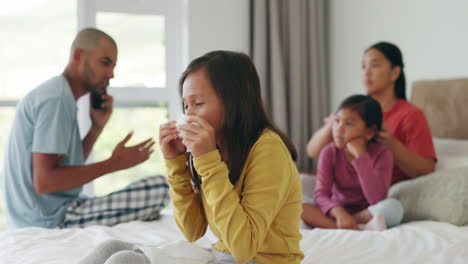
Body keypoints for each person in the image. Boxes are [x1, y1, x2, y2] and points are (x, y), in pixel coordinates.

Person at [3, 28, 170, 229]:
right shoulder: (56, 100)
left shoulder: (59, 94)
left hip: (46, 212)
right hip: (52, 219)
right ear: (78, 56)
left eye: (113, 66)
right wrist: (113, 164)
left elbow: (61, 168)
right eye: (105, 63)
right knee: (160, 187)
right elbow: (45, 182)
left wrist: (95, 128)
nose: (111, 74)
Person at [161, 51, 304, 263]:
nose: (188, 116)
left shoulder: (268, 149)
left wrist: (208, 160)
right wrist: (176, 165)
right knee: (117, 251)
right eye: (186, 105)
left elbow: (244, 247)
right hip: (224, 256)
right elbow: (193, 231)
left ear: (233, 102)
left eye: (198, 103)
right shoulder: (218, 148)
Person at [307, 42, 436, 184]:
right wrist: (333, 123)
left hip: (382, 191)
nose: (366, 72)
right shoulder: (354, 110)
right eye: (363, 66)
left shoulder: (411, 114)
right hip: (345, 190)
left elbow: (427, 169)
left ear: (395, 73)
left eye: (375, 65)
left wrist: (391, 144)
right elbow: (312, 151)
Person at [302, 95, 403, 230]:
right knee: (292, 201)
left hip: (366, 212)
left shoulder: (383, 154)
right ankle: (348, 226)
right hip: (335, 211)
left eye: (348, 123)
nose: (339, 128)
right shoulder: (329, 152)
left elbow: (377, 199)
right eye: (337, 121)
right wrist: (338, 212)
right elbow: (321, 194)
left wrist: (361, 156)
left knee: (394, 208)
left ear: (369, 132)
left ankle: (349, 223)